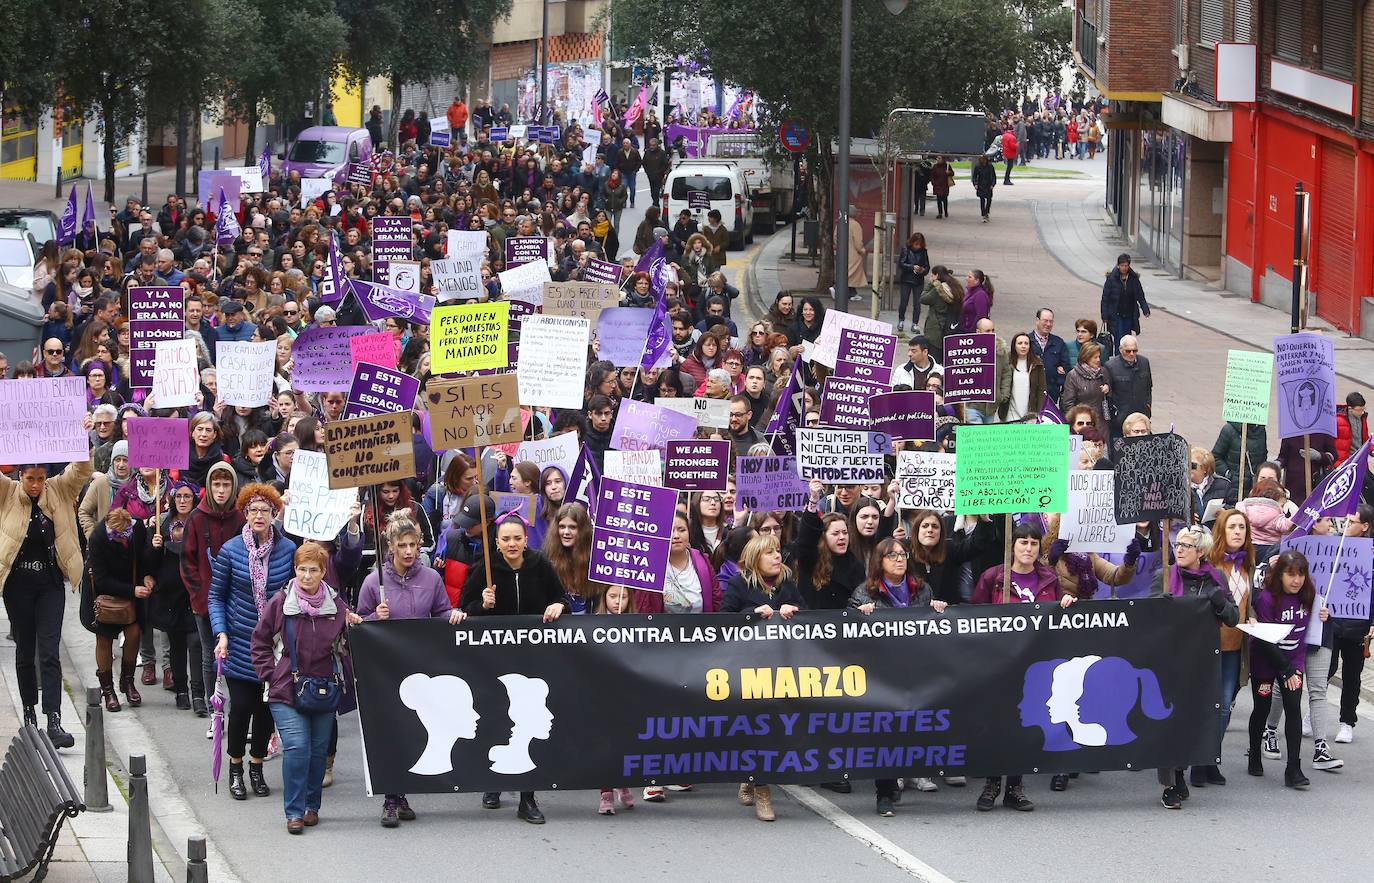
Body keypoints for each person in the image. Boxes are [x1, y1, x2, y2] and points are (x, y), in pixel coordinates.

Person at [354, 511, 464, 827]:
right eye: (402, 545)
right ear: (390, 546)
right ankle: (391, 798)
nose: (408, 551)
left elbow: (441, 612)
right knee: (391, 732)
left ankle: (402, 793)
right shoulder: (374, 581)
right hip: (385, 670)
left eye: (413, 545)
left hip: (421, 668)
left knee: (413, 731)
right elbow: (358, 625)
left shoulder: (431, 578)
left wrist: (453, 615)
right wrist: (374, 617)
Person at [460, 513, 568, 823]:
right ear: (497, 542)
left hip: (532, 659)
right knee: (497, 718)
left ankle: (527, 798)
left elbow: (560, 597)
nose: (511, 544)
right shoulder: (485, 568)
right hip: (495, 661)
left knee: (526, 722)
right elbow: (464, 609)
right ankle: (493, 782)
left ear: (525, 540)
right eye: (505, 539)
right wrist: (483, 605)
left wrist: (558, 605)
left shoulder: (540, 564)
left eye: (517, 538)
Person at [251, 542, 362, 834]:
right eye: (302, 569)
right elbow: (259, 641)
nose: (307, 576)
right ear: (295, 570)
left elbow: (349, 646)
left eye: (313, 570)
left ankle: (312, 806)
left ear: (323, 572)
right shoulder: (280, 602)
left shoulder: (337, 606)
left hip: (324, 687)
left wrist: (354, 626)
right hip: (285, 688)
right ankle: (294, 811)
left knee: (318, 751)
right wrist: (270, 675)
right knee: (297, 747)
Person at [971, 521, 1073, 812]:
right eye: (1023, 542)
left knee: (1024, 723)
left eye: (1033, 543)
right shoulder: (994, 577)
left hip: (1034, 664)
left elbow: (1057, 614)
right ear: (1012, 546)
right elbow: (974, 615)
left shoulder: (1048, 578)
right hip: (999, 662)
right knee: (998, 724)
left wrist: (1066, 601)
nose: (1028, 548)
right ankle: (992, 784)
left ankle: (1015, 787)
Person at [209, 483, 298, 802]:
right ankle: (235, 767)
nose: (259, 515)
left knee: (266, 709)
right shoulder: (231, 550)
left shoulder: (288, 550)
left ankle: (257, 767)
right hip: (239, 641)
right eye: (253, 510)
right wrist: (221, 633)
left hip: (274, 646)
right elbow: (216, 596)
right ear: (245, 514)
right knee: (242, 707)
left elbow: (296, 590)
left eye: (265, 510)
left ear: (275, 514)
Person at [851, 537, 948, 815]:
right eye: (892, 555)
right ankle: (884, 791)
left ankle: (901, 775)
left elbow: (935, 628)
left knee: (911, 727)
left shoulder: (922, 590)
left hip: (916, 669)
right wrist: (858, 615)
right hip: (881, 673)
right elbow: (846, 631)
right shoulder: (865, 593)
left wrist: (938, 611)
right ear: (879, 561)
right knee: (884, 731)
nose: (899, 560)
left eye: (903, 554)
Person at [1, 455, 92, 745]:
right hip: (18, 586)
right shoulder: (7, 492)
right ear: (20, 476)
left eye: (40, 479)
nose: (36, 485)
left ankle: (54, 719)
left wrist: (82, 441)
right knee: (25, 651)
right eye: (30, 479)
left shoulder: (59, 489)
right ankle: (29, 715)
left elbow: (82, 470)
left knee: (50, 651)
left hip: (50, 585)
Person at [1150, 524, 1239, 801]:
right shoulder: (1164, 577)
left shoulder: (1215, 578)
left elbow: (1233, 618)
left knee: (1191, 720)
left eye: (1186, 546)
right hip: (1168, 659)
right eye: (1177, 544)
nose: (1179, 550)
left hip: (1200, 660)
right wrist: (1158, 604)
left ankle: (1184, 768)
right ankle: (1172, 782)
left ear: (1200, 552)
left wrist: (1219, 602)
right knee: (1170, 720)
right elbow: (1145, 618)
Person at [720, 533, 804, 821]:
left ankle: (751, 776)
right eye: (770, 552)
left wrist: (796, 611)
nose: (777, 556)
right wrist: (751, 613)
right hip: (749, 668)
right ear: (755, 558)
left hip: (782, 668)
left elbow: (812, 618)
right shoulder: (739, 584)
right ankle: (763, 791)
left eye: (778, 551)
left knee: (774, 728)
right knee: (757, 727)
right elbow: (723, 620)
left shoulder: (787, 585)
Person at [1248, 550, 1315, 789]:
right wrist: (1284, 669)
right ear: (1280, 575)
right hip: (1265, 658)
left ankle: (1293, 768)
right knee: (1262, 707)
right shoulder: (1267, 599)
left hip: (1294, 658)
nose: (1296, 580)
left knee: (1294, 708)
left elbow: (1312, 626)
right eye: (1291, 574)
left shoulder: (1308, 596)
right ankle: (1254, 753)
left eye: (1301, 575)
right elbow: (1265, 640)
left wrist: (1324, 615)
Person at [182, 462, 244, 719]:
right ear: (208, 486)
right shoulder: (196, 518)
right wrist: (199, 597)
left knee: (236, 656)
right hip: (205, 601)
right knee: (210, 655)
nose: (221, 490)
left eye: (226, 485)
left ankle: (237, 710)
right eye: (216, 484)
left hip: (236, 601)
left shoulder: (241, 517)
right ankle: (213, 710)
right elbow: (187, 562)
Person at [86, 508, 154, 720]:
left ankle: (128, 680)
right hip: (104, 595)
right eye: (117, 535)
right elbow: (101, 579)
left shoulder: (137, 529)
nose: (122, 539)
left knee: (134, 633)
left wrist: (147, 575)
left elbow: (143, 557)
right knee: (104, 639)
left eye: (125, 534)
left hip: (132, 590)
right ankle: (108, 689)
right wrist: (132, 590)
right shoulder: (98, 538)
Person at [1208, 508, 1253, 764]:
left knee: (1225, 704)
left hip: (1235, 648)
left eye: (1242, 527)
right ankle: (1202, 757)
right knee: (1208, 704)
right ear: (1221, 531)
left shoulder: (1248, 564)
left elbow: (1249, 600)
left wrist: (1252, 615)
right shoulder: (1210, 564)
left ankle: (1212, 757)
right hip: (1210, 645)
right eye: (1232, 527)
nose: (1237, 532)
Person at [1329, 504, 1374, 744]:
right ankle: (1312, 714)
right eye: (1344, 521)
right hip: (1332, 620)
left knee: (1352, 675)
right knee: (1324, 669)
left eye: (1352, 522)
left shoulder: (1372, 553)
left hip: (1359, 623)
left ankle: (1347, 721)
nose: (1346, 526)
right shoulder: (1334, 547)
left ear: (1365, 526)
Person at [1104, 335, 1152, 439]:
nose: (1131, 354)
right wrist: (1110, 418)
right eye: (1128, 351)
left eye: (1134, 351)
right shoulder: (1111, 366)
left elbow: (1148, 387)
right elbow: (1107, 397)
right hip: (1120, 419)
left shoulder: (1144, 362)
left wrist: (1148, 407)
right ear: (1121, 349)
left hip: (1141, 415)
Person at [1100, 254, 1150, 350]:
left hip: (1129, 314)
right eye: (1122, 265)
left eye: (1126, 265)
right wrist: (1104, 315)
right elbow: (1105, 298)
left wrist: (1145, 309)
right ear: (1118, 265)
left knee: (1127, 337)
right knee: (1118, 338)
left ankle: (1125, 354)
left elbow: (1140, 295)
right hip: (1116, 314)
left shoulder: (1133, 279)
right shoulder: (1111, 279)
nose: (1124, 268)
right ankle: (1119, 356)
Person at [1060, 342, 1110, 431]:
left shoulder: (1103, 372)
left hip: (1102, 422)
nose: (1098, 360)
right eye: (1095, 357)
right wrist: (1078, 421)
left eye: (1099, 357)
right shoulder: (1073, 375)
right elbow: (1068, 403)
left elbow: (1111, 396)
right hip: (1083, 423)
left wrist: (1108, 389)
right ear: (1086, 357)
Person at [1000, 332, 1046, 422]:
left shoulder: (1037, 364)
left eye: (1026, 343)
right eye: (1020, 343)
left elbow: (1041, 390)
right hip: (1010, 413)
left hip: (1030, 415)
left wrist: (1039, 412)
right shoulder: (1006, 362)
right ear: (1014, 346)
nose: (1023, 346)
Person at [1030, 308, 1068, 405]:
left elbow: (1066, 367)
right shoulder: (1026, 341)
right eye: (1045, 321)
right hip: (1030, 392)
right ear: (1037, 320)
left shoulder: (1058, 342)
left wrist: (1057, 383)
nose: (1048, 324)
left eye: (1051, 321)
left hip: (1051, 394)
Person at [895, 233, 929, 332]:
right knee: (903, 302)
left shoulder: (923, 251)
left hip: (918, 280)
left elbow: (927, 266)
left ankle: (915, 323)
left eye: (919, 244)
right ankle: (901, 320)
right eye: (916, 244)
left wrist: (922, 270)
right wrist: (912, 267)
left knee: (917, 303)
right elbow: (901, 263)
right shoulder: (906, 249)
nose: (918, 246)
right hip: (907, 279)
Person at [1335, 392, 1368, 466]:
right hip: (1344, 463)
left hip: (1359, 460)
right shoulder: (1338, 421)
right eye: (1359, 410)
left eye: (1363, 409)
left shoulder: (1362, 418)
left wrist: (1371, 449)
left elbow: (1365, 439)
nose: (1362, 412)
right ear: (1350, 409)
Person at [972, 155, 996, 222]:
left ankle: (987, 212)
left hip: (988, 185)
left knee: (989, 199)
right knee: (982, 200)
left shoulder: (990, 166)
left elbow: (993, 176)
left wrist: (992, 184)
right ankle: (983, 214)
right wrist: (975, 184)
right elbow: (974, 177)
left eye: (984, 159)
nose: (983, 161)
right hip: (981, 185)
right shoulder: (977, 166)